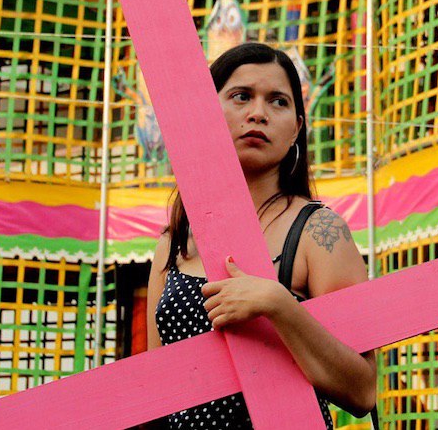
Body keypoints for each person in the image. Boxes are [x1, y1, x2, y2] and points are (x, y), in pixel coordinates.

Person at [146, 43, 376, 428]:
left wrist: (279, 305)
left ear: (297, 128)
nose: (258, 113)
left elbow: (362, 391)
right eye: (241, 96)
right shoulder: (173, 242)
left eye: (278, 101)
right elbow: (156, 388)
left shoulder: (319, 232)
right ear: (207, 112)